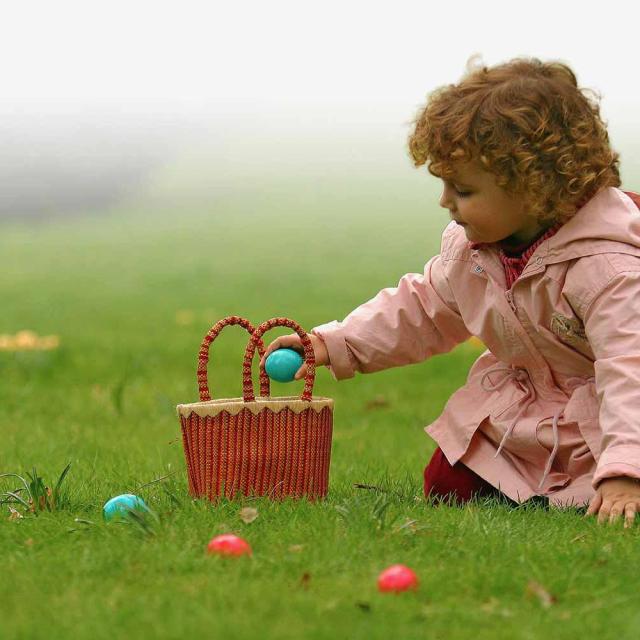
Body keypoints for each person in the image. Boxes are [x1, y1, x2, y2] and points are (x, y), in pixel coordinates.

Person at [259, 56, 640, 527]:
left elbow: (629, 366)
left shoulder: (607, 268)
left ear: (535, 187)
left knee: (609, 495)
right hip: (530, 417)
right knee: (447, 484)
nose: (445, 202)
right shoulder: (473, 251)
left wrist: (626, 469)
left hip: (613, 418)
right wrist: (335, 343)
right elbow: (422, 307)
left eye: (462, 189)